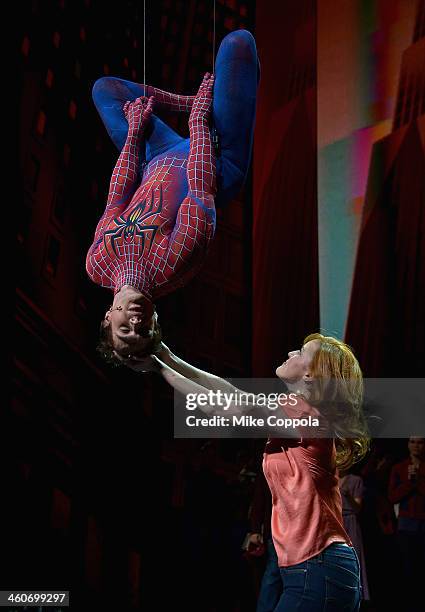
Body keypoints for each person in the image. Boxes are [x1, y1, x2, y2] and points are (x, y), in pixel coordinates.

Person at [131, 333, 370, 611]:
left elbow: (226, 406)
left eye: (302, 352)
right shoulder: (297, 412)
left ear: (310, 376)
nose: (292, 351)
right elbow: (229, 393)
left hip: (319, 567)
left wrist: (159, 367)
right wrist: (166, 355)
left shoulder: (307, 417)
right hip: (316, 569)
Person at [86, 30, 258, 365]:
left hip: (158, 157)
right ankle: (199, 102)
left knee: (105, 90)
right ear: (155, 323)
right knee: (237, 44)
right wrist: (198, 123)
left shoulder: (98, 265)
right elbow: (201, 189)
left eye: (126, 332)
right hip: (215, 156)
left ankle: (185, 98)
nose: (136, 324)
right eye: (145, 332)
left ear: (108, 317)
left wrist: (136, 131)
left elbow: (117, 196)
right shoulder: (173, 269)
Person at [388, 437, 425, 612]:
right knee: (408, 565)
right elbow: (392, 497)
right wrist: (410, 482)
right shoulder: (399, 468)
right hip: (406, 523)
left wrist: (418, 480)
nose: (416, 445)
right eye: (413, 442)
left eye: (420, 442)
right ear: (408, 445)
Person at [338, 470, 370, 601]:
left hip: (350, 521)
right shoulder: (329, 477)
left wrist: (348, 496)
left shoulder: (355, 480)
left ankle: (357, 594)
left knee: (354, 557)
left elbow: (357, 508)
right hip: (335, 521)